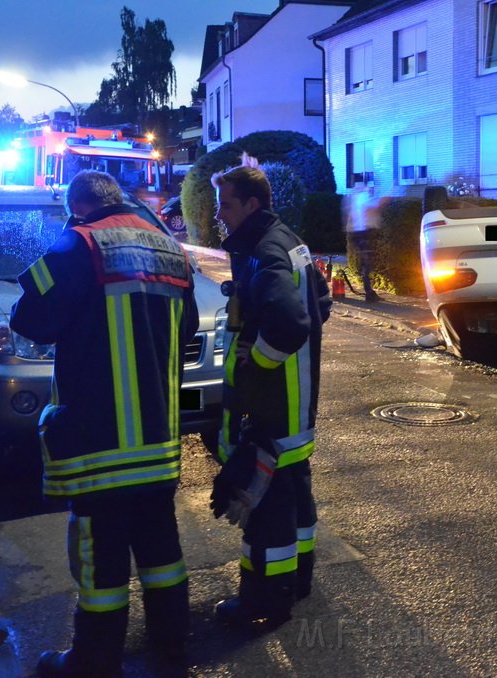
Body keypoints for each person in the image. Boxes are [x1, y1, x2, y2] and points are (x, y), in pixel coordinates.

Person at [11, 170, 198, 676]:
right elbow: (191, 326)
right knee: (161, 549)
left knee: (100, 559)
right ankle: (172, 643)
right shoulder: (168, 247)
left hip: (100, 443)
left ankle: (94, 660)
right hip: (157, 441)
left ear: (80, 208)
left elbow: (28, 320)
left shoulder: (80, 243)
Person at [208, 166, 331, 632]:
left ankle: (266, 599)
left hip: (274, 408)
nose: (220, 214)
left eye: (227, 204)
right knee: (296, 493)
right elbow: (320, 303)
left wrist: (255, 365)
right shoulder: (289, 241)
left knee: (268, 508)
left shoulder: (265, 252)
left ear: (251, 205)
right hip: (297, 405)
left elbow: (292, 323)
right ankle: (298, 581)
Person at [344, 184, 381, 301]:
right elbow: (372, 207)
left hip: (359, 234)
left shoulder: (355, 199)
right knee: (367, 263)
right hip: (362, 234)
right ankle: (369, 293)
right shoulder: (361, 199)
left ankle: (369, 291)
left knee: (367, 263)